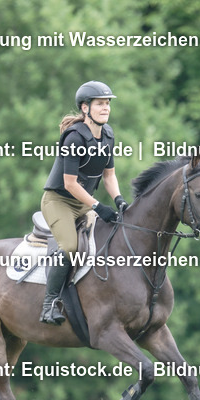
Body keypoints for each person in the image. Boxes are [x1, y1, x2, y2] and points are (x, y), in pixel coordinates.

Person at [39, 81, 128, 325]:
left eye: (108, 103)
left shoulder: (107, 135)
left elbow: (108, 176)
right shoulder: (74, 139)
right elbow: (70, 184)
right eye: (100, 104)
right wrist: (99, 206)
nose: (106, 108)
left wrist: (118, 199)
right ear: (85, 108)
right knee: (69, 247)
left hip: (84, 202)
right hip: (59, 201)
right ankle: (49, 304)